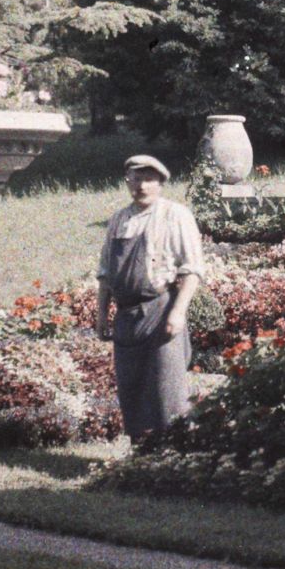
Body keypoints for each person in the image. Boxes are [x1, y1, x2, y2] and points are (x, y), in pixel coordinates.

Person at [95, 154, 205, 442]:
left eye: (148, 179)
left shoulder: (175, 215)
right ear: (127, 181)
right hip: (126, 316)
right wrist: (101, 315)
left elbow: (192, 270)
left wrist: (177, 312)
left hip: (160, 309)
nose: (141, 186)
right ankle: (141, 454)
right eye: (136, 178)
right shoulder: (119, 219)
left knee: (165, 389)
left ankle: (173, 453)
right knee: (130, 385)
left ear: (160, 183)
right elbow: (105, 273)